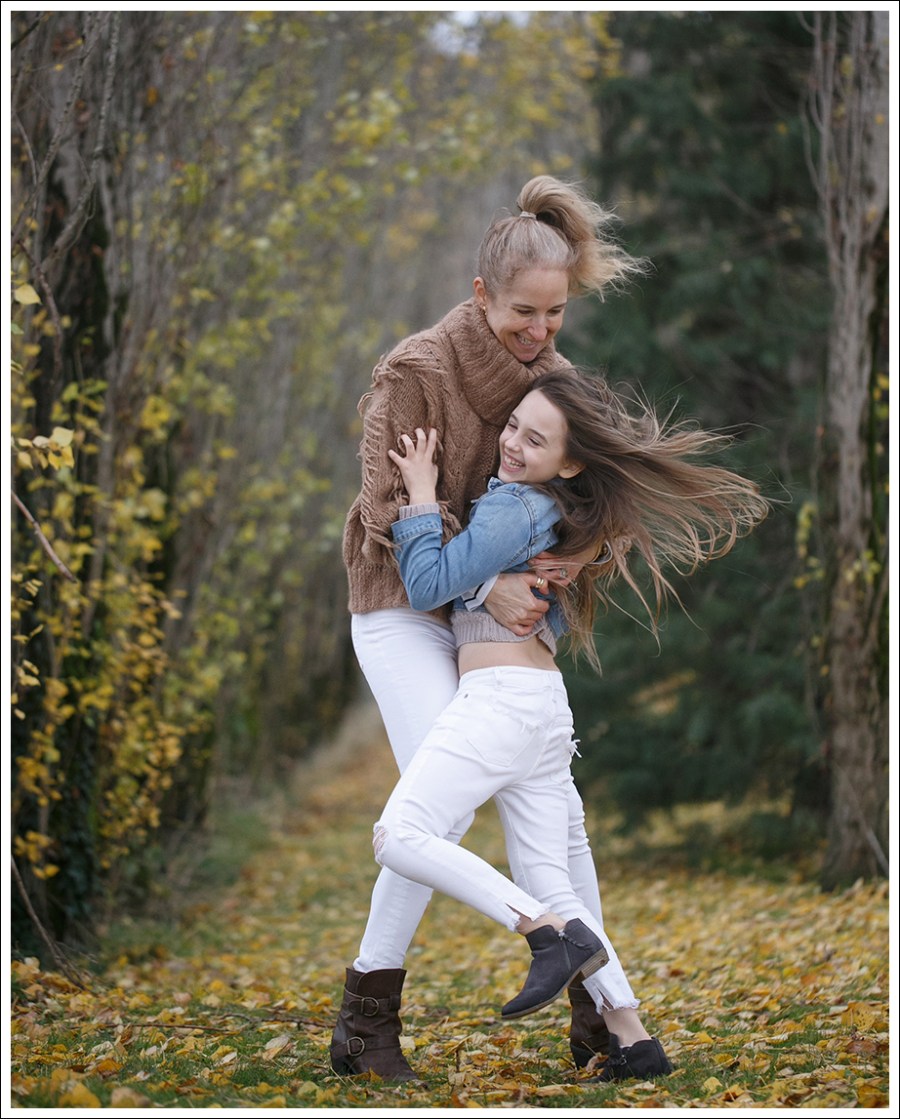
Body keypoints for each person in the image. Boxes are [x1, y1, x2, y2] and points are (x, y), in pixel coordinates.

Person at [334, 175, 657, 1083]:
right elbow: (381, 511)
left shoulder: (552, 381)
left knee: (559, 812)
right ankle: (368, 1015)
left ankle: (608, 1018)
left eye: (556, 314)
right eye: (525, 312)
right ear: (482, 296)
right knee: (434, 801)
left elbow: (594, 506)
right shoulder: (417, 371)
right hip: (401, 599)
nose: (541, 333)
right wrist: (494, 569)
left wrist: (551, 569)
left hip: (488, 611)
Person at [370, 370, 767, 1082]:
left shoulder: (515, 506)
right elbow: (547, 551)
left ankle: (542, 931)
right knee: (554, 878)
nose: (512, 443)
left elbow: (427, 582)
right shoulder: (557, 507)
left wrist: (425, 496)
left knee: (401, 834)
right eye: (514, 424)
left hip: (501, 701)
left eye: (535, 437)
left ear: (571, 461)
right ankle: (634, 1039)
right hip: (542, 707)